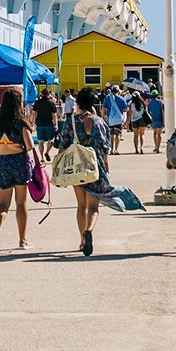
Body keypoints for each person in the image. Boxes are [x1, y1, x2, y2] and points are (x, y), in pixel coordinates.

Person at [54, 88, 112, 257]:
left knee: (81, 205)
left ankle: (82, 240)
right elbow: (105, 145)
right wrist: (106, 162)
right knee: (93, 207)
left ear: (77, 103)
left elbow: (63, 145)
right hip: (96, 166)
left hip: (77, 167)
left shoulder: (71, 122)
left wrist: (59, 164)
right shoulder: (100, 122)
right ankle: (89, 230)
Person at [0, 89, 35, 253]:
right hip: (18, 162)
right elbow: (29, 146)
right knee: (21, 203)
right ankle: (22, 240)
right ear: (18, 104)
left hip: (1, 163)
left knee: (2, 204)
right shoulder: (21, 123)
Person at [32, 88, 59, 162]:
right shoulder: (51, 103)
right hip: (49, 124)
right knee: (51, 139)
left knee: (40, 141)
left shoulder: (37, 102)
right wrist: (56, 125)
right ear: (48, 94)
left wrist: (32, 122)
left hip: (39, 123)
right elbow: (54, 116)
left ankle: (42, 158)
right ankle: (47, 152)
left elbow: (33, 113)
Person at [103, 87, 127, 153]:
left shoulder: (107, 98)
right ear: (118, 91)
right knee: (118, 134)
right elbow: (126, 109)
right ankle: (116, 149)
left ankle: (111, 149)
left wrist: (103, 117)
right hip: (119, 119)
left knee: (111, 135)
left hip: (110, 119)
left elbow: (103, 109)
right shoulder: (121, 99)